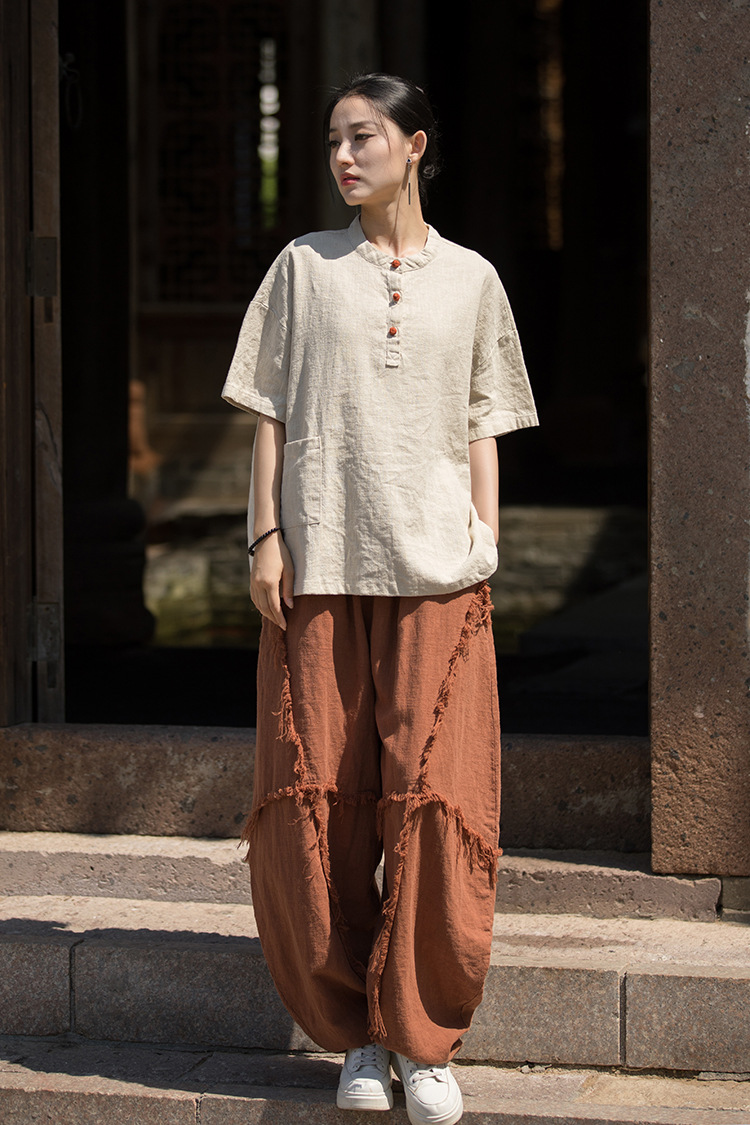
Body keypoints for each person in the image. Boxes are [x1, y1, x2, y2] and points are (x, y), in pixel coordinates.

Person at [222, 73, 538, 1125]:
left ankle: (423, 1038)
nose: (343, 157)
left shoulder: (473, 279)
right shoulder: (303, 269)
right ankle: (357, 1032)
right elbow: (269, 413)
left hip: (437, 575)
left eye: (362, 137)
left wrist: (484, 540)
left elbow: (484, 418)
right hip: (319, 570)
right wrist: (265, 538)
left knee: (435, 802)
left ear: (415, 146)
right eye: (332, 141)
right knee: (320, 801)